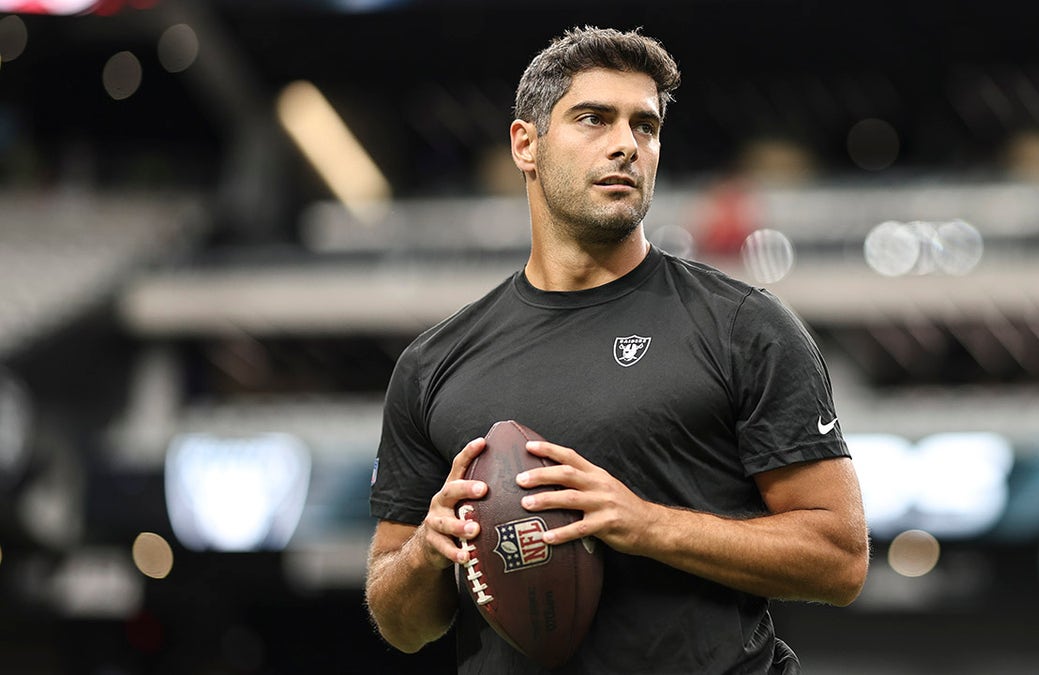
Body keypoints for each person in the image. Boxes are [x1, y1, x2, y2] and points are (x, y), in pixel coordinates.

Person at [365, 26, 869, 675]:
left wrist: (644, 523)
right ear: (526, 144)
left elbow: (840, 558)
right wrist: (426, 555)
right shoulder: (433, 364)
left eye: (646, 126)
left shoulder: (743, 326)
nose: (626, 145)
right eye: (594, 119)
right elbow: (402, 625)